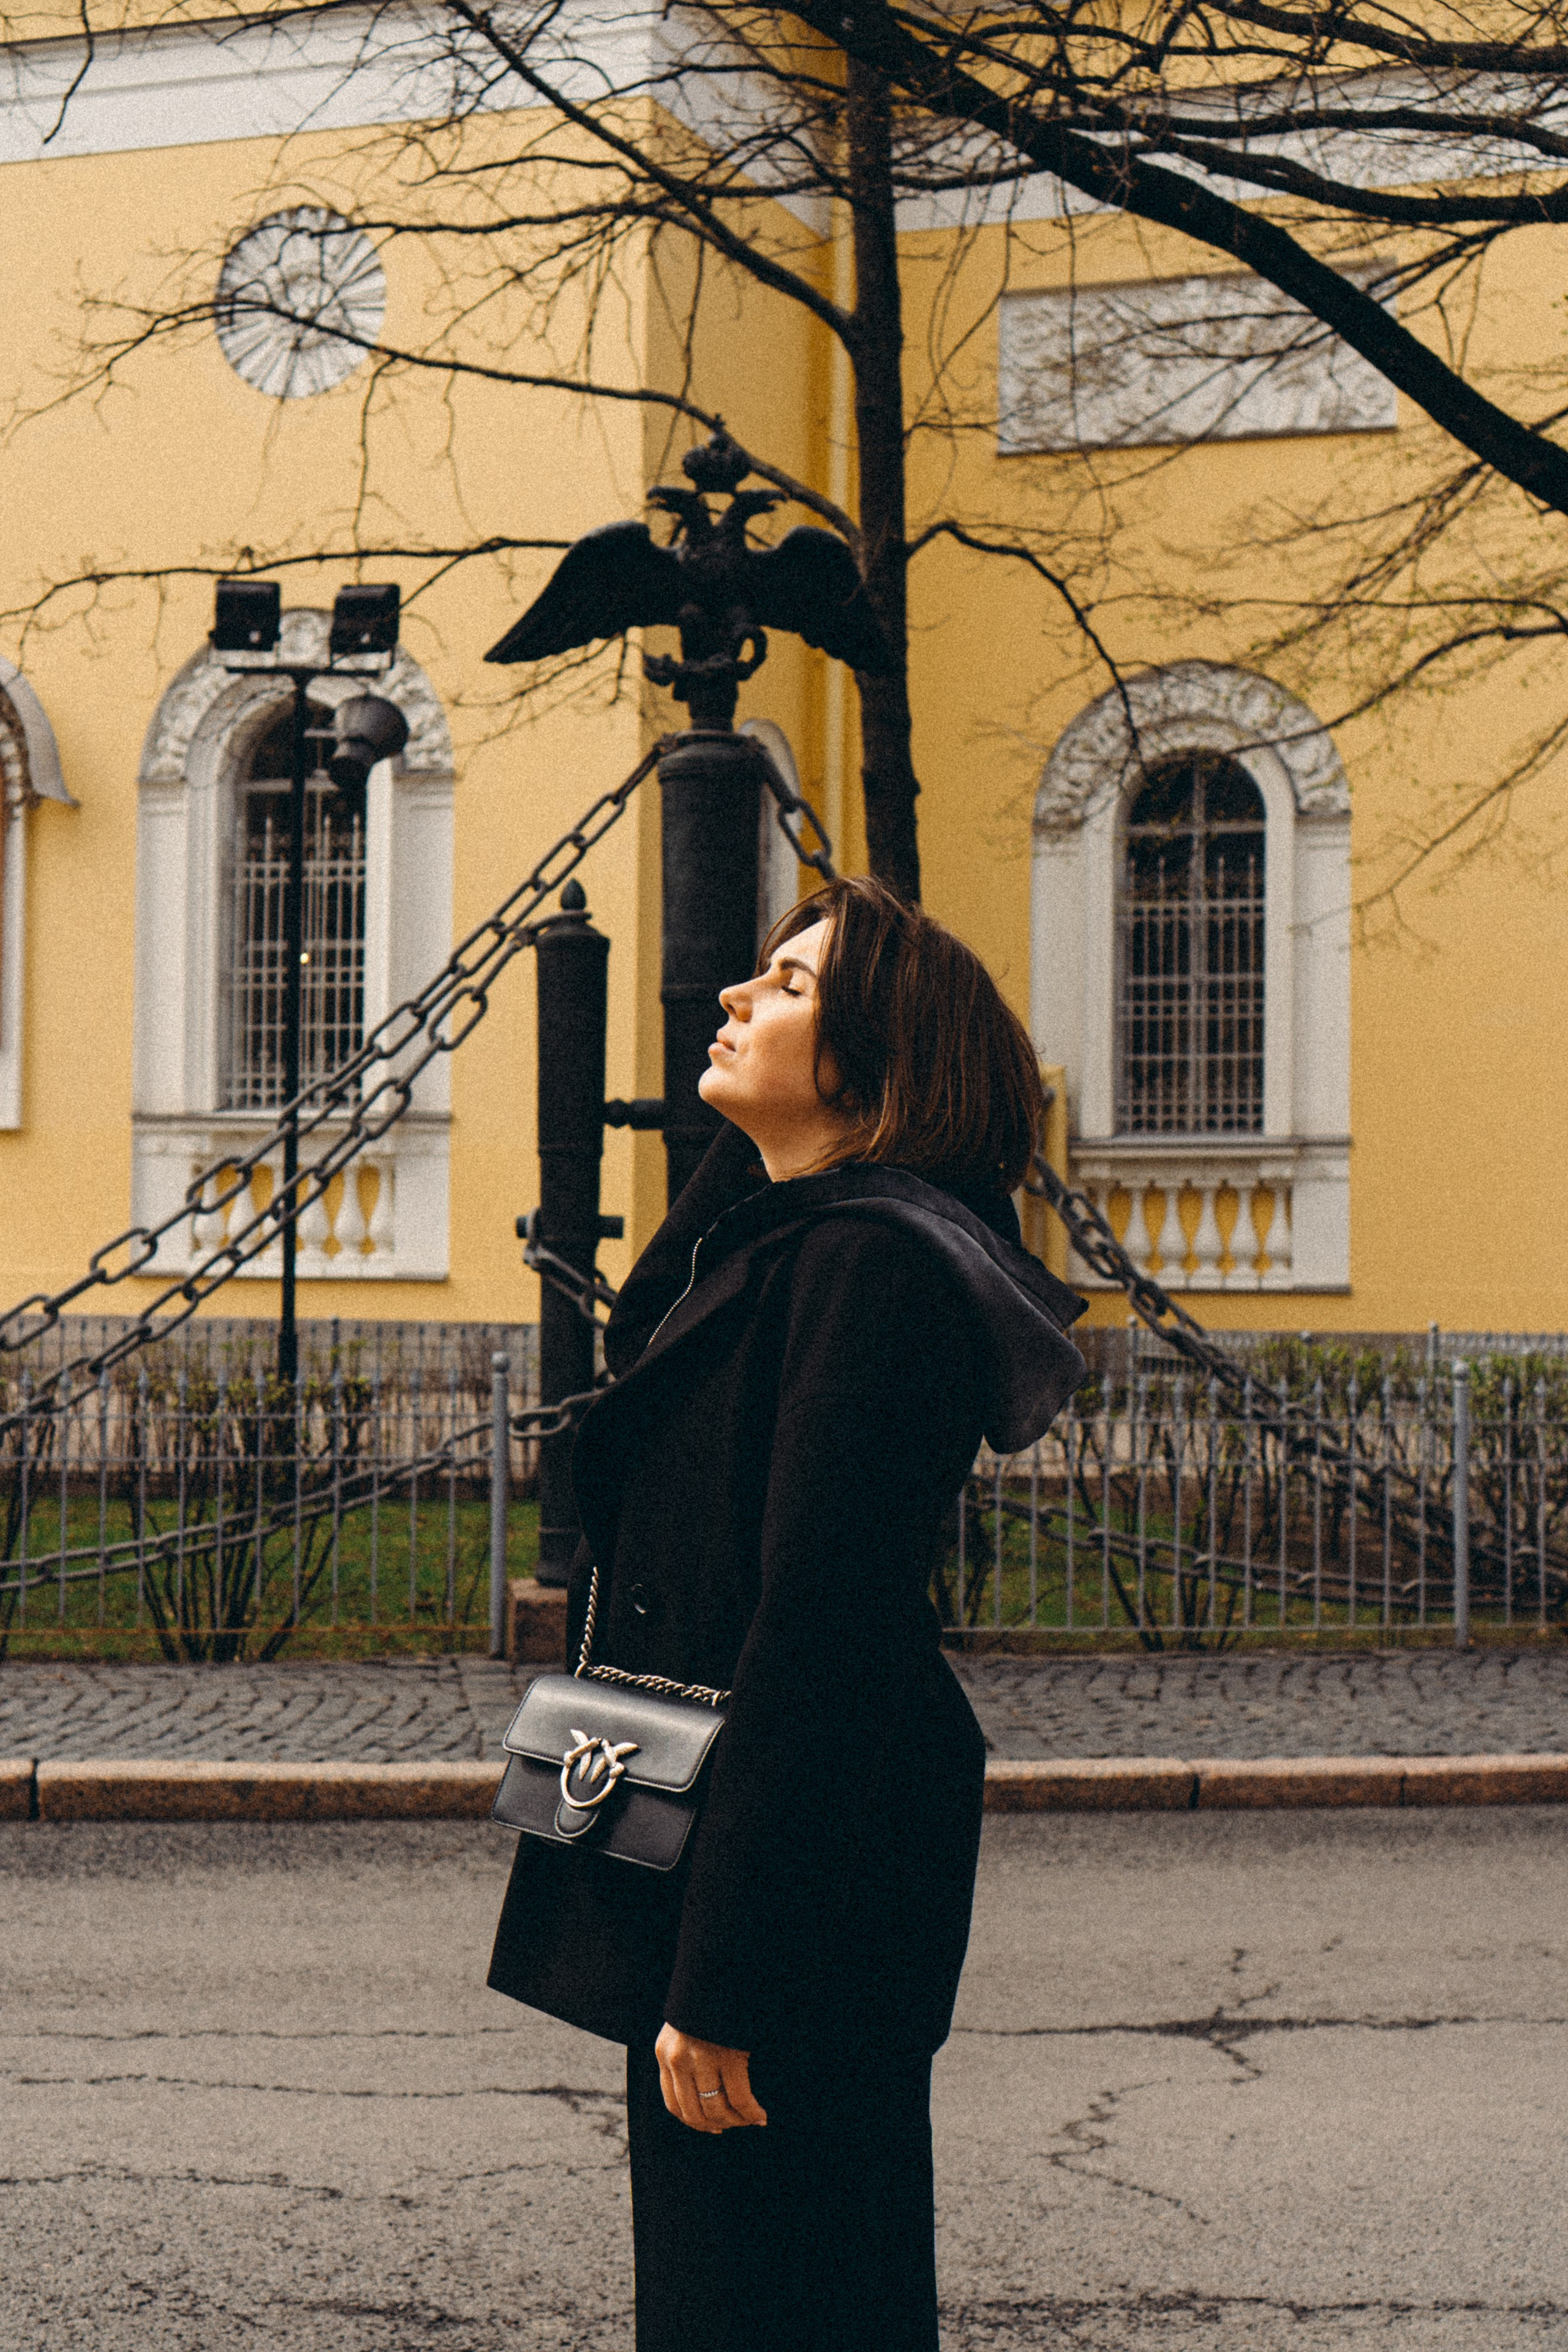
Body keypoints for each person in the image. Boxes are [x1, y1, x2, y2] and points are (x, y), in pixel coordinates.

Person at [489, 874, 1086, 2352]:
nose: (735, 997)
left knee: (779, 2299)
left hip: (794, 1901)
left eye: (791, 984)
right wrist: (753, 1151)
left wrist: (727, 1971)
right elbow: (650, 1327)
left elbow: (819, 1633)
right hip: (728, 1866)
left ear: (875, 1059)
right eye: (752, 969)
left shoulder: (871, 1270)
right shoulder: (797, 1246)